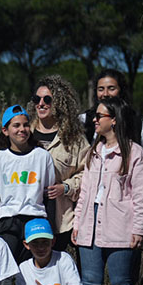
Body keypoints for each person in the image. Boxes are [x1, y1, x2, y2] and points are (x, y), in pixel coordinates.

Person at [73, 96, 143, 285]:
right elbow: (85, 191)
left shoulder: (134, 153)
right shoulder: (93, 151)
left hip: (120, 226)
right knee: (90, 283)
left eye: (100, 116)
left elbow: (142, 196)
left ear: (114, 120)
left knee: (121, 283)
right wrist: (77, 223)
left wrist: (140, 228)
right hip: (89, 224)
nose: (94, 120)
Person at [0, 105, 56, 261]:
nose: (22, 129)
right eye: (16, 125)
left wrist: (51, 228)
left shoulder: (42, 156)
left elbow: (49, 196)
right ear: (6, 130)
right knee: (6, 268)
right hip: (8, 221)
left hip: (35, 218)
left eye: (25, 125)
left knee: (32, 268)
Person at [28, 75, 88, 252]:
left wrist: (66, 187)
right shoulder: (24, 134)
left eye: (47, 99)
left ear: (60, 103)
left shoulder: (75, 139)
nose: (41, 104)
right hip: (30, 219)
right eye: (36, 99)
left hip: (63, 222)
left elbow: (89, 174)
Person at [81, 69, 143, 152]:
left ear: (121, 91)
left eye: (111, 89)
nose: (105, 94)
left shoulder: (137, 123)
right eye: (101, 89)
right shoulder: (84, 120)